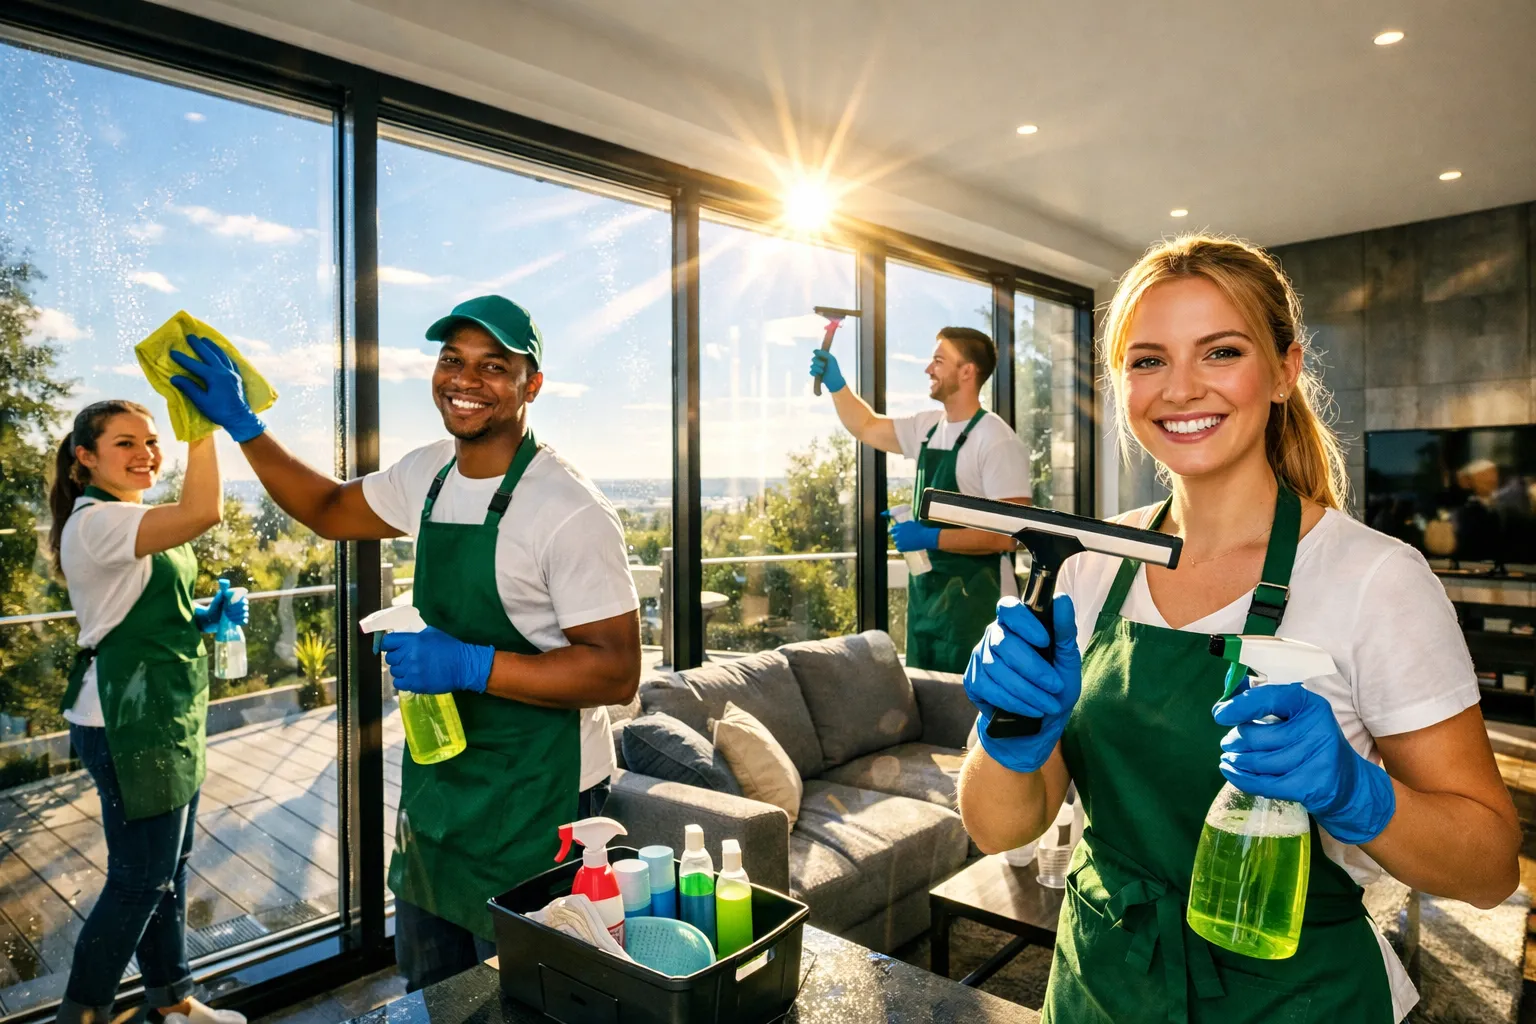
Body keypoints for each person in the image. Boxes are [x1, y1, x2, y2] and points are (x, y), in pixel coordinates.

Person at [956, 235, 1520, 1023]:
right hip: (1102, 986)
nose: (1180, 389)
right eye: (1148, 360)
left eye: (1219, 351)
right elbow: (1000, 826)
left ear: (1285, 370)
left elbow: (1490, 868)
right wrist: (1006, 734)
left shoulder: (1374, 579)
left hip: (1295, 999)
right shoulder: (1086, 565)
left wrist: (1357, 793)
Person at [168, 295, 641, 991]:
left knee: (535, 998)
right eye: (452, 360)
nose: (465, 378)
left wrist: (470, 664)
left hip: (543, 802)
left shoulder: (567, 509)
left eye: (492, 365)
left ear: (531, 384)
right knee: (431, 991)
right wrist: (247, 427)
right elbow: (330, 511)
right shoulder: (430, 474)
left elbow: (614, 672)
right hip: (443, 788)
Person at [49, 398, 249, 1024]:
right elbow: (203, 510)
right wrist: (204, 425)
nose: (147, 455)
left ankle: (173, 1001)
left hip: (166, 711)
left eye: (153, 441)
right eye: (125, 444)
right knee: (140, 879)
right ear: (86, 459)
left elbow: (142, 602)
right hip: (127, 721)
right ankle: (81, 1016)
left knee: (168, 869)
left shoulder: (127, 515)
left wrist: (201, 618)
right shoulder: (96, 522)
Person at [810, 327, 1032, 672]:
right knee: (929, 704)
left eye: (938, 361)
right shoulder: (927, 428)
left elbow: (1011, 534)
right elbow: (866, 426)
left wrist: (930, 537)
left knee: (973, 710)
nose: (929, 369)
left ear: (967, 371)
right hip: (929, 600)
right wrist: (838, 386)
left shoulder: (995, 439)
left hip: (979, 604)